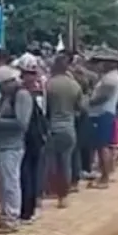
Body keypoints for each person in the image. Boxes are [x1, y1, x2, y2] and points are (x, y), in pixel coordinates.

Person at [0, 62, 32, 232]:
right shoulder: (8, 96)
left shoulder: (22, 95)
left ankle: (12, 216)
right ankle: (3, 214)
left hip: (12, 145)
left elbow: (21, 123)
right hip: (1, 143)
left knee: (11, 182)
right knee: (2, 182)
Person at [43, 56, 82, 208]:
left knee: (51, 162)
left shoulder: (49, 84)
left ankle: (50, 190)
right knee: (66, 163)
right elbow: (79, 108)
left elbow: (45, 108)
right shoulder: (74, 85)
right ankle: (63, 197)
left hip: (52, 127)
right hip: (68, 127)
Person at [17, 56, 47, 223]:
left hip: (32, 136)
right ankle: (31, 205)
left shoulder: (32, 94)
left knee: (27, 173)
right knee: (32, 172)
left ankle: (27, 209)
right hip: (36, 135)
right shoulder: (37, 92)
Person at [86, 59, 118, 189]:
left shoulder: (109, 80)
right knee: (104, 146)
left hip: (101, 113)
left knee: (103, 146)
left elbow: (99, 98)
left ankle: (104, 178)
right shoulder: (114, 78)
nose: (100, 64)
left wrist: (87, 101)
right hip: (107, 113)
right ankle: (104, 175)